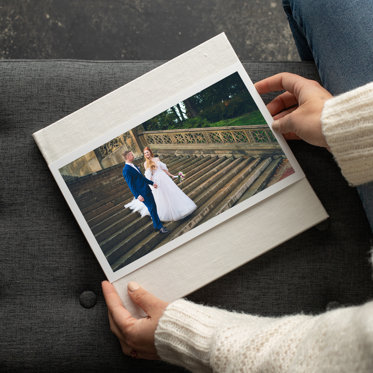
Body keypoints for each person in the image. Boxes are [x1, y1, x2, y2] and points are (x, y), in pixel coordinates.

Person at [102, 1, 373, 371]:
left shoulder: (147, 161)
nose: (141, 154)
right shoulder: (135, 167)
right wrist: (339, 125)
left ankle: (159, 222)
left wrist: (194, 341)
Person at [125, 147, 197, 222]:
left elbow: (163, 169)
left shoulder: (157, 159)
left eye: (147, 152)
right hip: (156, 180)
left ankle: (182, 209)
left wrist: (171, 175)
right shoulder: (146, 163)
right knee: (162, 196)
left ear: (150, 152)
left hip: (164, 178)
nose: (147, 154)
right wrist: (152, 183)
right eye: (145, 153)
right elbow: (148, 175)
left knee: (172, 192)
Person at [122, 150, 168, 234]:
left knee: (153, 207)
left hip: (146, 189)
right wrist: (137, 195)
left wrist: (152, 183)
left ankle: (156, 224)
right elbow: (130, 184)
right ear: (128, 156)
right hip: (142, 192)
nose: (133, 156)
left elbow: (142, 178)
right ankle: (159, 227)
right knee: (151, 207)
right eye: (132, 155)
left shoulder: (133, 165)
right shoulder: (126, 170)